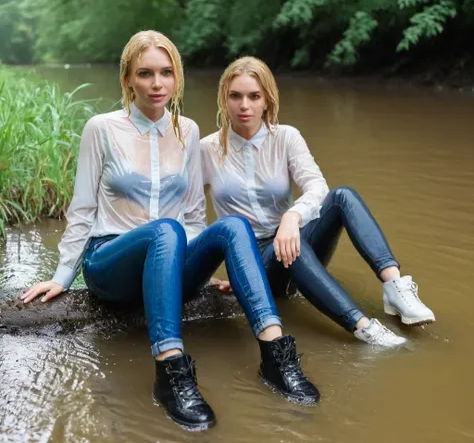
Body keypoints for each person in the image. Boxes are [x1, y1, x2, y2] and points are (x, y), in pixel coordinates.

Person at [20, 34, 320, 432]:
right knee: (164, 230)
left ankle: (275, 355)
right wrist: (62, 276)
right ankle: (170, 372)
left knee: (231, 225)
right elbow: (82, 210)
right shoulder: (102, 128)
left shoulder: (189, 131)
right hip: (111, 261)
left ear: (177, 79)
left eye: (166, 73)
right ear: (128, 79)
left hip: (172, 257)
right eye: (145, 74)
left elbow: (196, 213)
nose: (156, 84)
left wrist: (201, 262)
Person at [201, 56, 436, 349]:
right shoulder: (207, 149)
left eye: (254, 96)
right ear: (224, 98)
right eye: (235, 96)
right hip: (254, 257)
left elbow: (316, 186)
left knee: (341, 196)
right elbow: (190, 212)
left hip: (292, 233)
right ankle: (363, 327)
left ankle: (395, 288)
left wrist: (292, 217)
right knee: (288, 246)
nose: (244, 105)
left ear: (267, 100)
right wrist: (206, 273)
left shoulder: (286, 137)